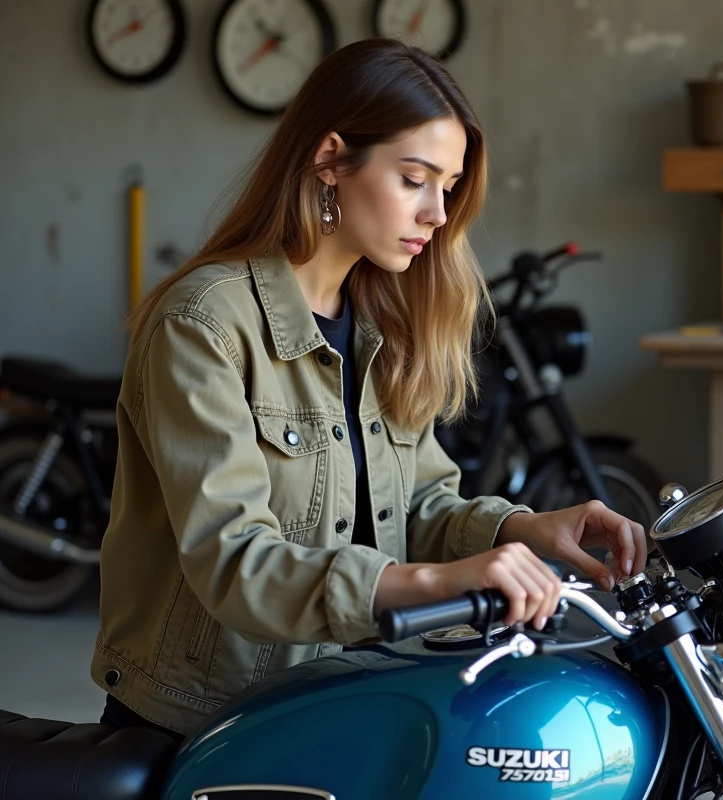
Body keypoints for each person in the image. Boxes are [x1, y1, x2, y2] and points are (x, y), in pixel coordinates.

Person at [91, 38, 647, 741]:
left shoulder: (386, 322)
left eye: (447, 187)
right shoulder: (205, 322)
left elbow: (416, 503)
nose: (438, 214)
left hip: (341, 692)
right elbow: (234, 562)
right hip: (204, 720)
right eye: (415, 178)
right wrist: (438, 582)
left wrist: (523, 529)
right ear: (330, 159)